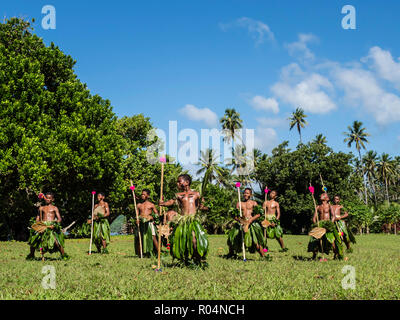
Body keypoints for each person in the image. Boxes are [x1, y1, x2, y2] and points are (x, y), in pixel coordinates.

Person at [159, 174, 209, 268]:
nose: (177, 184)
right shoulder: (178, 195)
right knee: (182, 241)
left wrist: (205, 207)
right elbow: (171, 202)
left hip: (193, 220)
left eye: (179, 181)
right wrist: (163, 204)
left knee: (194, 240)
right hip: (183, 220)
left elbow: (203, 205)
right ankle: (184, 260)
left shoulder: (196, 194)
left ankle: (197, 259)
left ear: (186, 182)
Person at [227, 188, 269, 260]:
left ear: (250, 194)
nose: (245, 194)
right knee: (232, 239)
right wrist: (239, 220)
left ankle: (263, 256)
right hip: (241, 223)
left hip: (251, 223)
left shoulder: (254, 203)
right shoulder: (239, 203)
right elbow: (234, 215)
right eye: (244, 193)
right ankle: (231, 254)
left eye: (247, 193)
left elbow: (259, 214)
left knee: (255, 242)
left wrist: (251, 220)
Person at [26, 192, 69, 260]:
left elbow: (59, 219)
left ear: (53, 199)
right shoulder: (41, 208)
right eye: (46, 197)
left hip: (51, 225)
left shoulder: (54, 208)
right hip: (42, 226)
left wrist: (54, 224)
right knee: (34, 240)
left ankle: (64, 255)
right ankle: (31, 255)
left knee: (56, 241)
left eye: (49, 198)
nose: (47, 199)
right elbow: (38, 218)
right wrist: (37, 225)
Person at [308, 193, 343, 260]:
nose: (321, 195)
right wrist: (316, 226)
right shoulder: (318, 207)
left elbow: (333, 216)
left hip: (328, 224)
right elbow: (314, 218)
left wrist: (330, 224)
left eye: (323, 195)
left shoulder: (330, 206)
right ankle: (314, 256)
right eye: (321, 195)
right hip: (320, 225)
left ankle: (336, 254)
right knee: (315, 241)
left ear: (327, 199)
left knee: (332, 241)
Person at [134, 189, 159, 257]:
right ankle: (141, 254)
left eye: (144, 194)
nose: (142, 195)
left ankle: (159, 253)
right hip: (141, 223)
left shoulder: (151, 205)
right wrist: (137, 219)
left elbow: (157, 214)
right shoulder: (139, 205)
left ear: (148, 196)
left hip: (149, 223)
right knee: (140, 238)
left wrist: (151, 217)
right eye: (142, 194)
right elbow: (137, 215)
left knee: (153, 237)